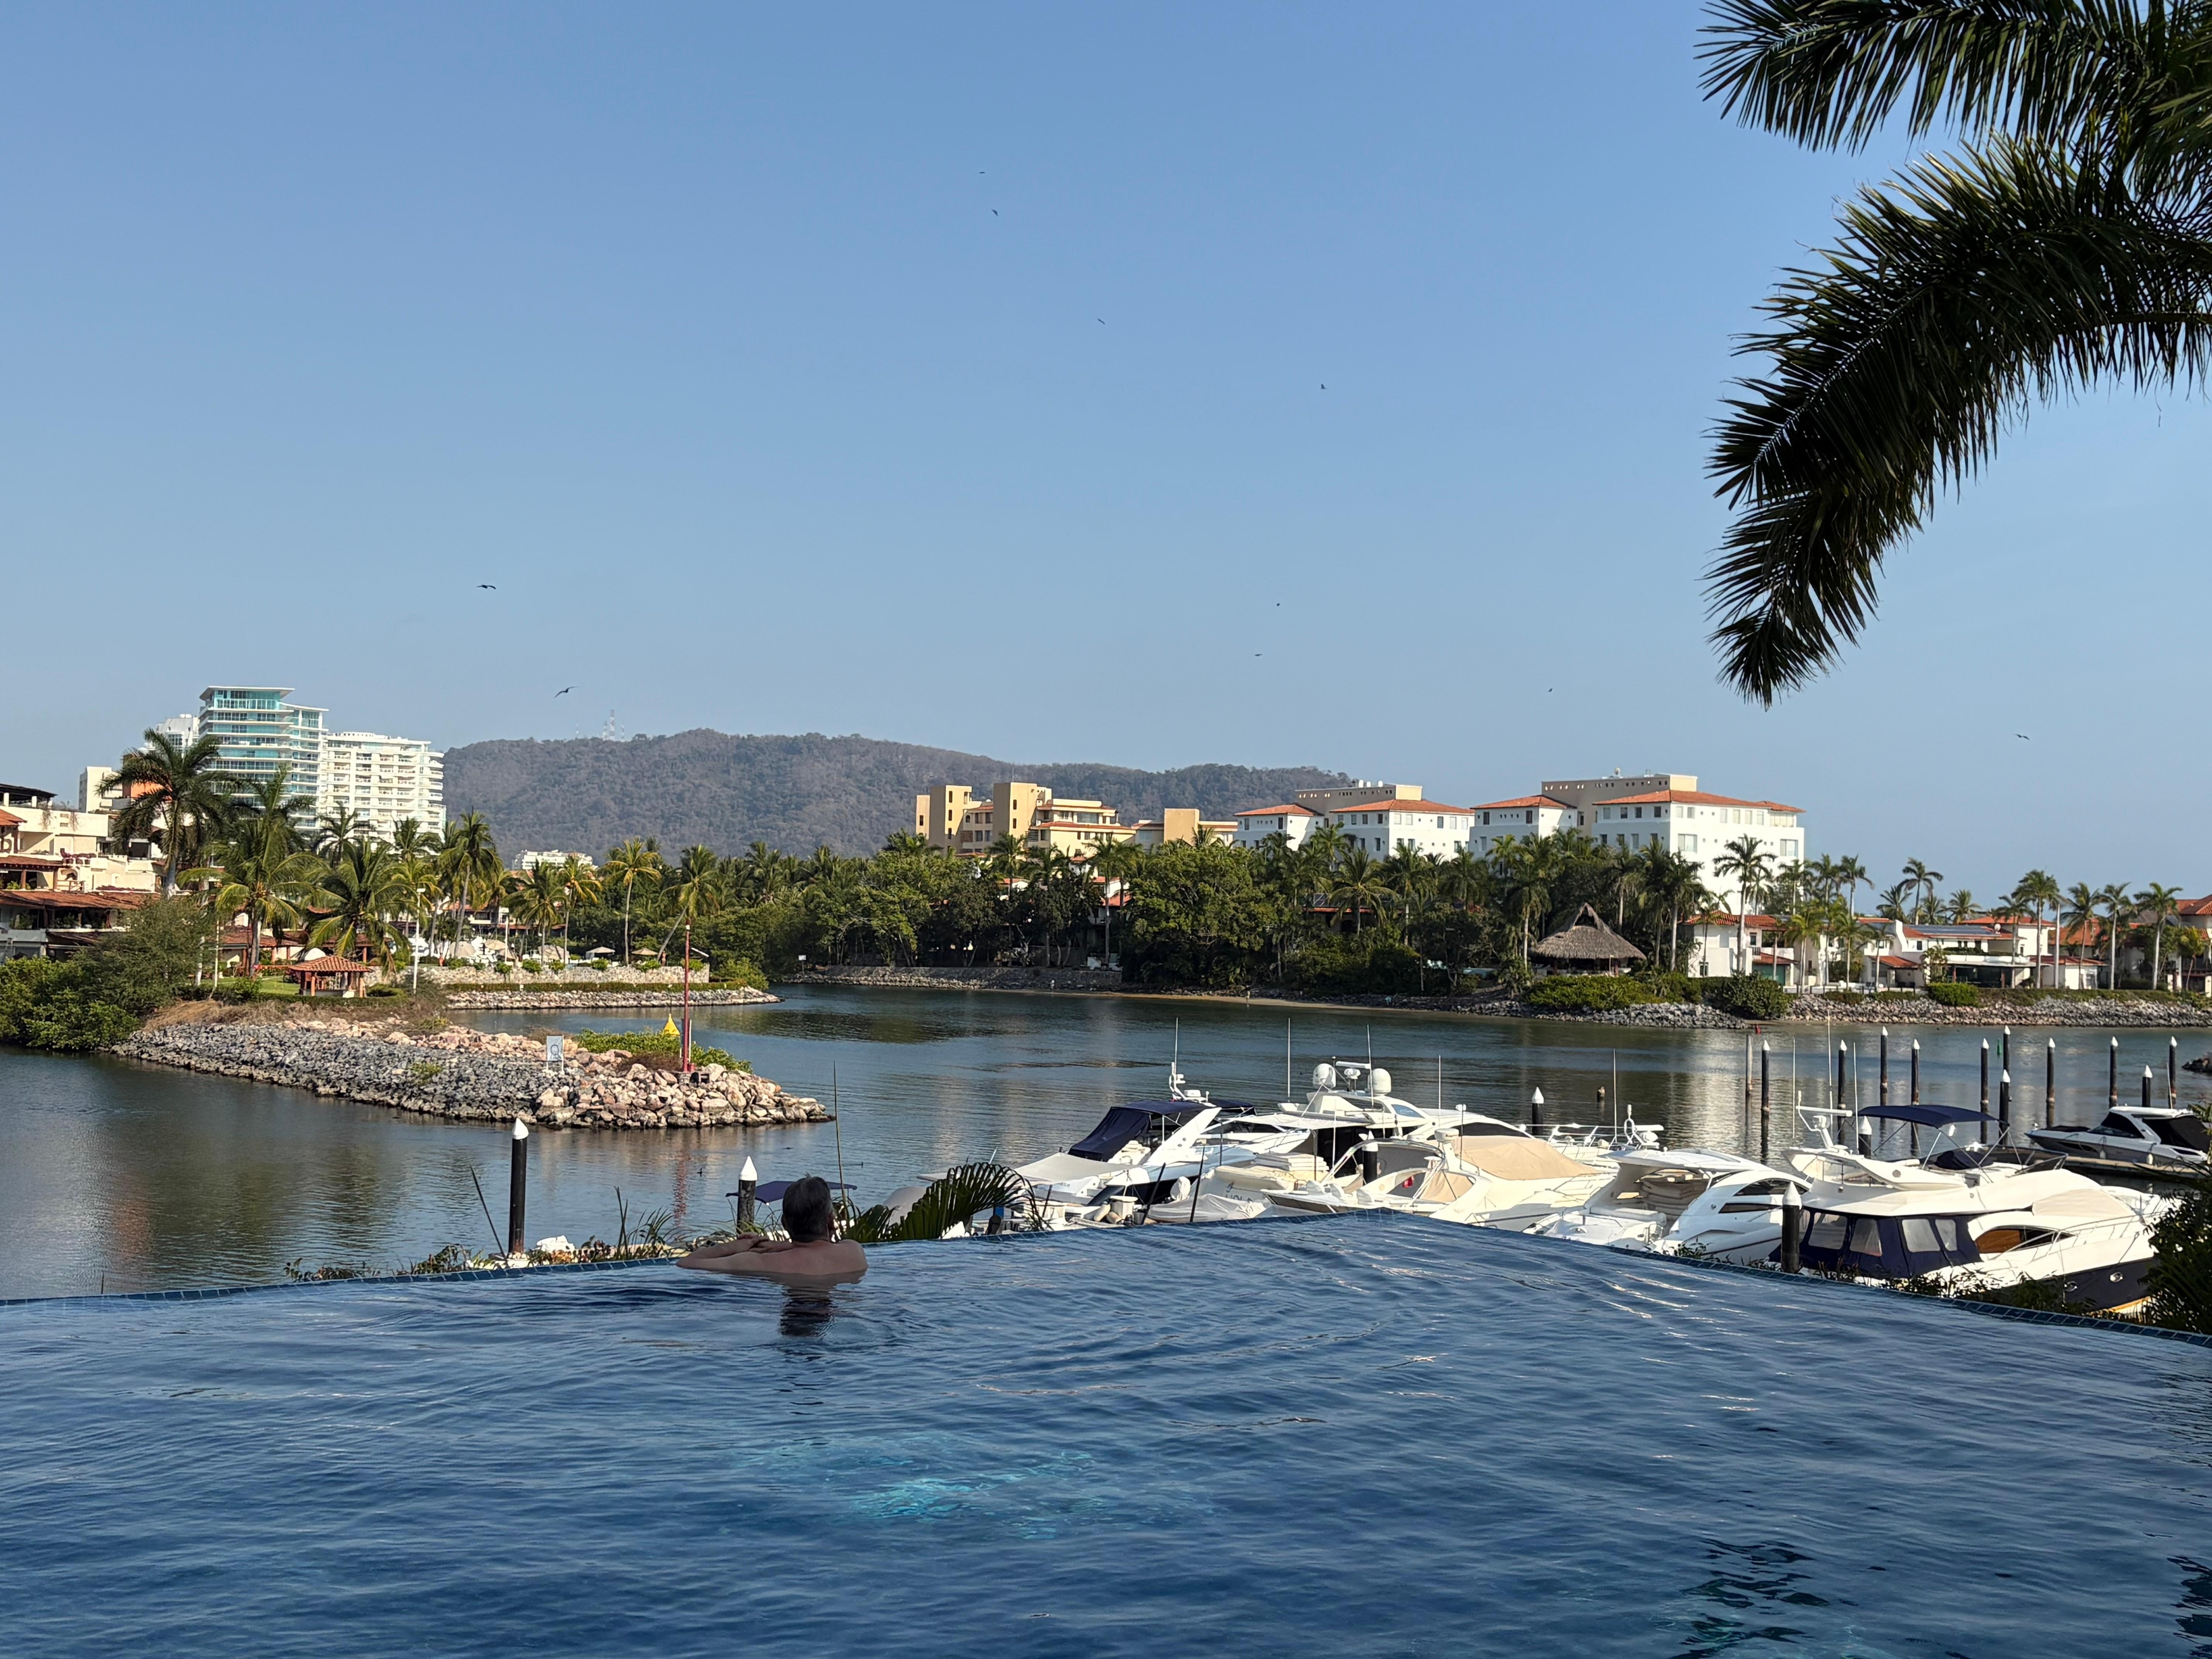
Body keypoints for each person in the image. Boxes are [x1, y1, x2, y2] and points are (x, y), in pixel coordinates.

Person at [678, 1174, 866, 1281]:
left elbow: (687, 1263)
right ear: (831, 1221)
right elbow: (816, 1251)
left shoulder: (758, 1263)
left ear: (785, 1224)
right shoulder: (854, 1252)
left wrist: (735, 1247)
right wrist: (782, 1246)